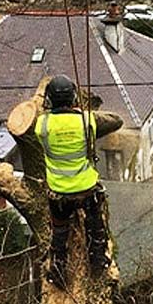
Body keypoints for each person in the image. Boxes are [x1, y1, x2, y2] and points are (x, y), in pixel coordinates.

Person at [34, 74, 111, 289]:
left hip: (59, 192)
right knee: (96, 225)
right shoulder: (87, 122)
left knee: (59, 231)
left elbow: (45, 124)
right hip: (87, 188)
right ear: (74, 98)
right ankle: (98, 261)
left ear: (49, 100)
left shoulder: (42, 125)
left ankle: (58, 270)